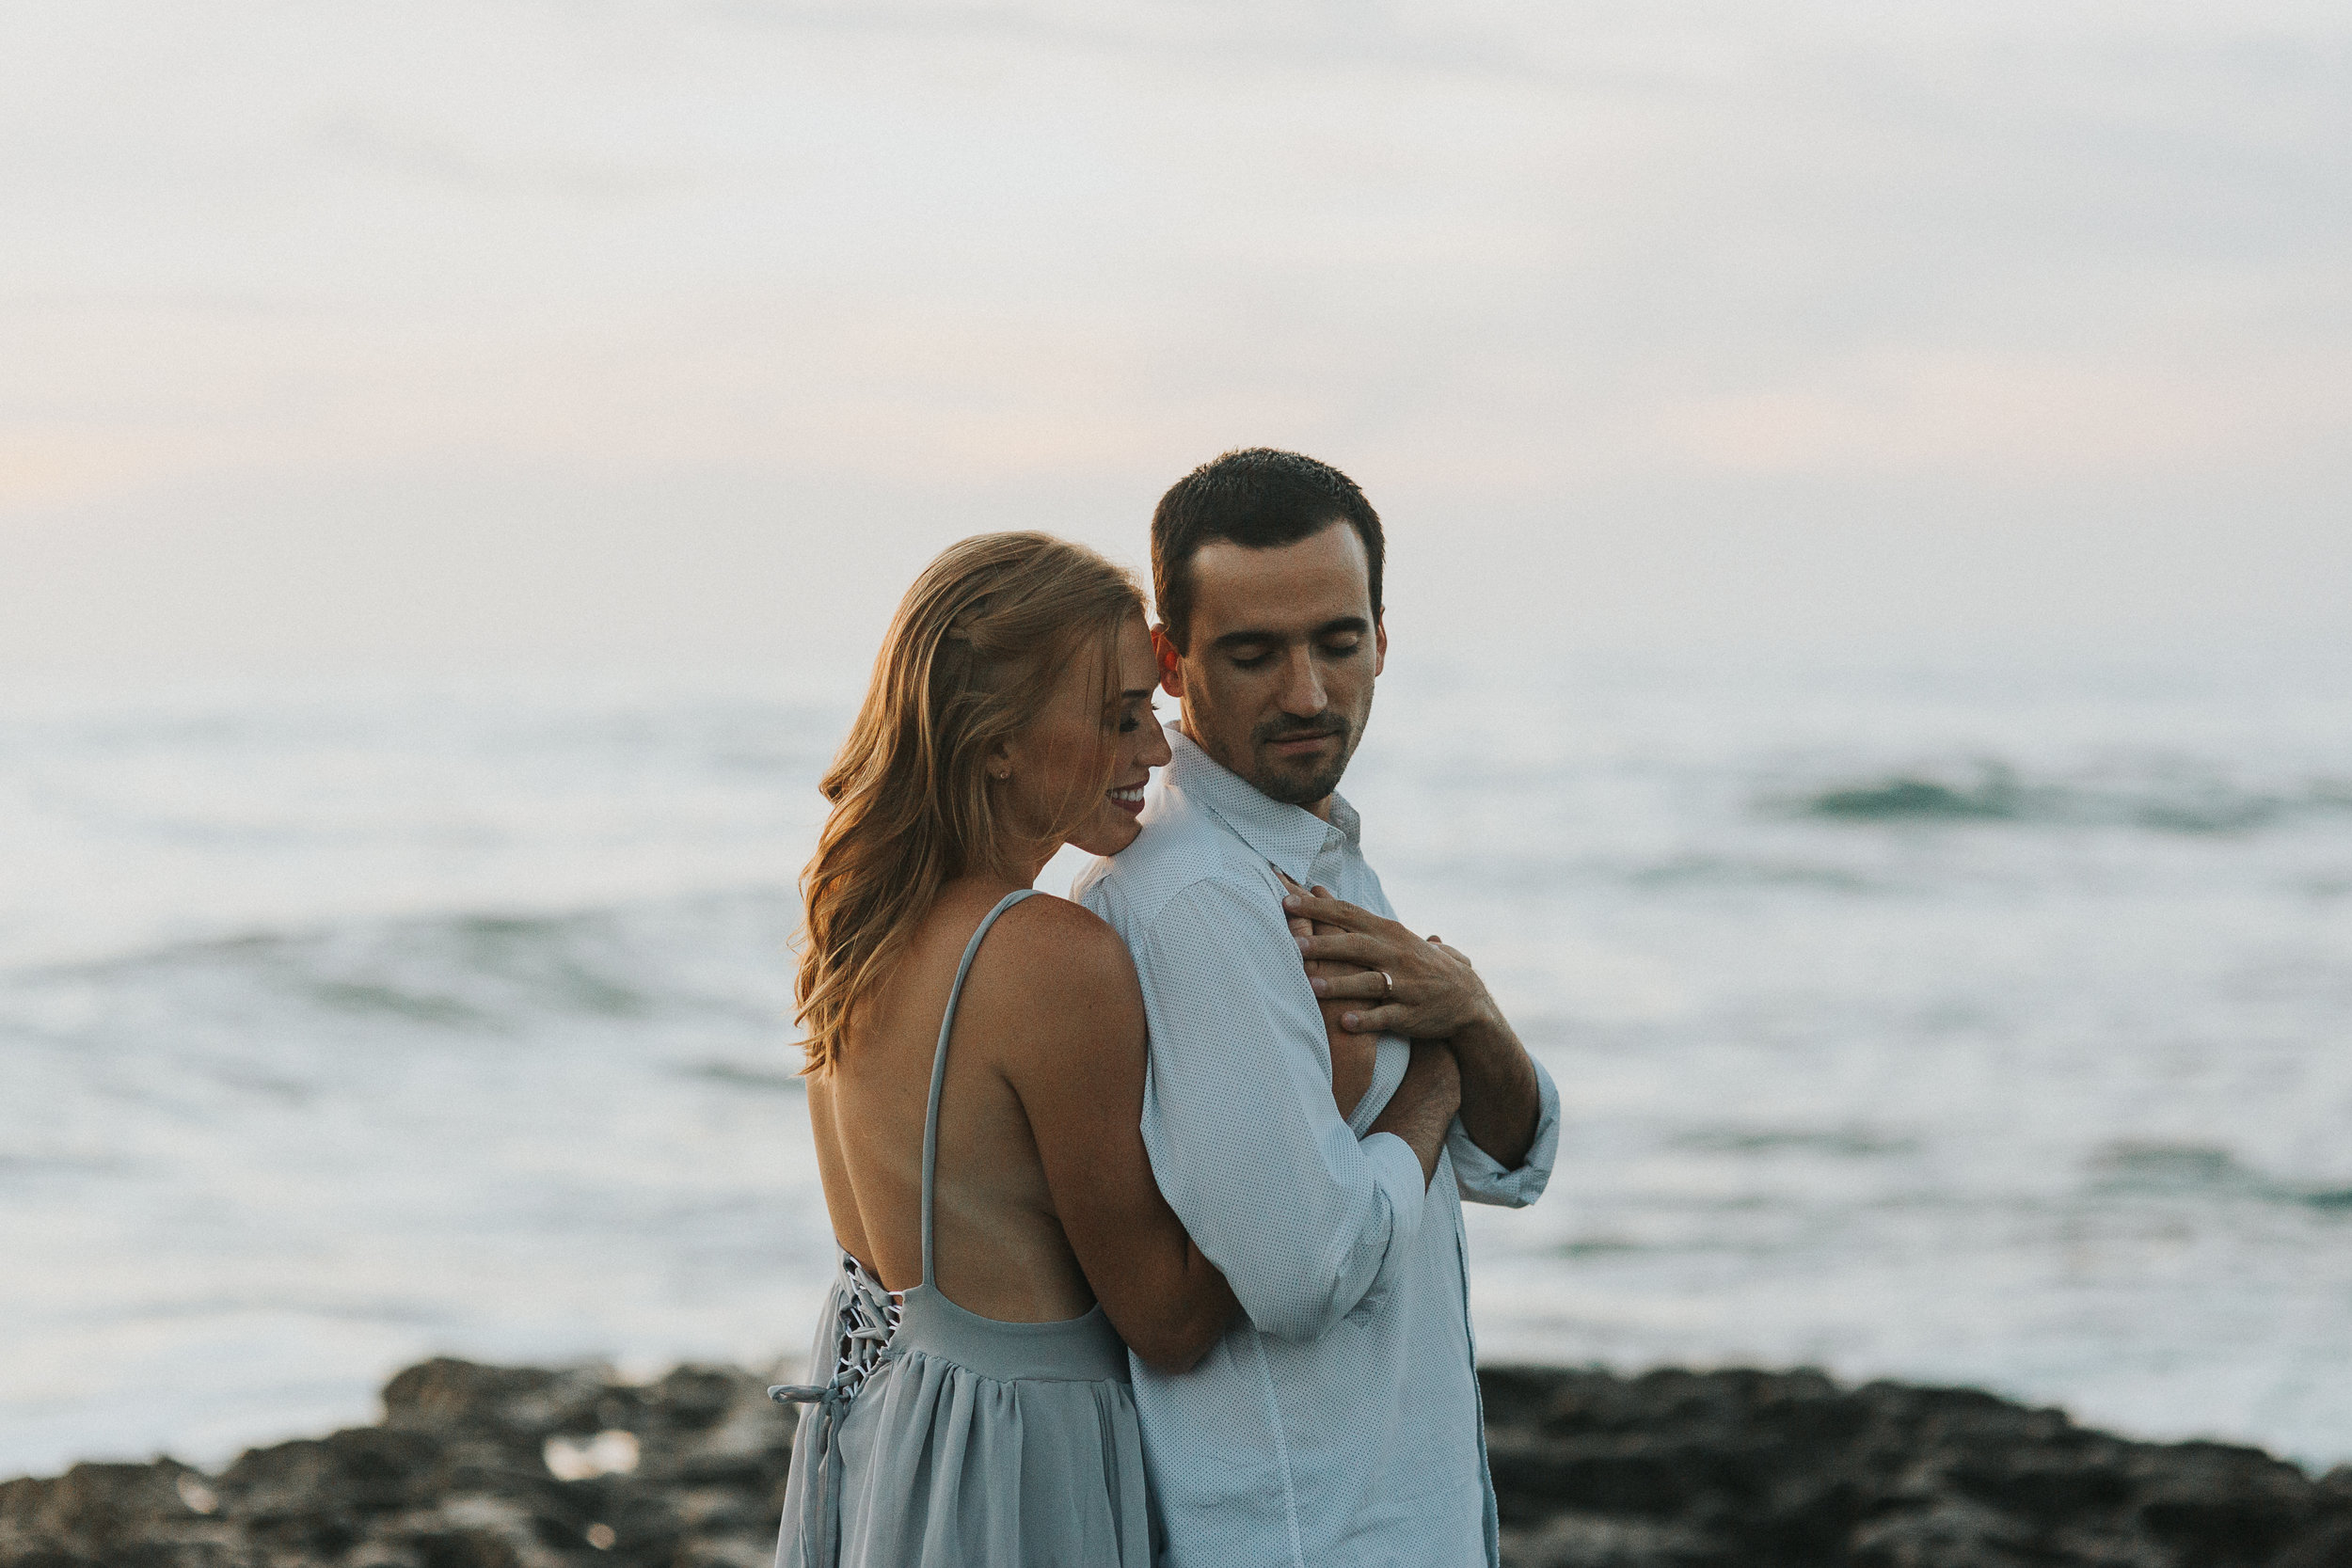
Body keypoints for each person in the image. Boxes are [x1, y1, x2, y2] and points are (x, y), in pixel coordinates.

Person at [1073, 448, 1563, 1568]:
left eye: (1337, 642)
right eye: (1252, 653)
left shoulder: (1317, 862)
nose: (1305, 692)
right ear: (1170, 659)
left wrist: (1473, 1017)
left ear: (1383, 636)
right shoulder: (1192, 901)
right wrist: (1433, 1082)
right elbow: (1306, 1272)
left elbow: (1511, 1160)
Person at [773, 531, 1239, 1568]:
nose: (1156, 753)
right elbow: (1167, 1317)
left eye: (1151, 715)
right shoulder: (1049, 959)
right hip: (1014, 1475)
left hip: (890, 1443)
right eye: (1118, 716)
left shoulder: (854, 925)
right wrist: (1364, 1113)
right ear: (995, 738)